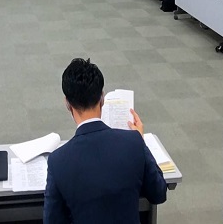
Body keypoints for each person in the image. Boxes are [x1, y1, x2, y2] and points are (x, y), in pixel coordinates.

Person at [44, 58, 167, 223]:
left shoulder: (57, 161)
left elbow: (52, 220)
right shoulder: (133, 142)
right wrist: (140, 140)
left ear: (67, 103)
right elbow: (159, 193)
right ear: (102, 98)